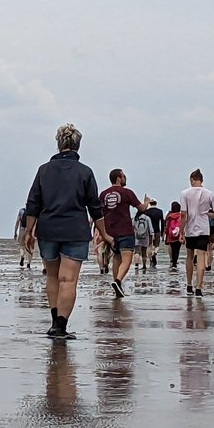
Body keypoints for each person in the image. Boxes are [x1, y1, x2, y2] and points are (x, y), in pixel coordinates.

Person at [23, 124, 110, 340]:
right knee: (68, 280)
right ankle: (61, 326)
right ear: (78, 145)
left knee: (52, 276)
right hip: (75, 230)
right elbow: (95, 207)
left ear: (59, 144)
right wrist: (105, 234)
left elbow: (33, 203)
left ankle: (54, 323)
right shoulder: (85, 172)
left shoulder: (43, 170)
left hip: (48, 229)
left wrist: (28, 230)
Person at [99, 169, 150, 297]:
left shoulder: (103, 194)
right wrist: (147, 202)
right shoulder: (127, 193)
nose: (125, 178)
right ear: (118, 178)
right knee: (127, 259)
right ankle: (118, 281)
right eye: (123, 176)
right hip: (125, 230)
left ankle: (118, 286)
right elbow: (141, 208)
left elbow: (98, 213)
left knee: (117, 257)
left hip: (110, 232)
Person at [180, 169, 214, 297]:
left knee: (190, 257)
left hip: (190, 229)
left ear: (192, 179)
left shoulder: (185, 193)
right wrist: (209, 214)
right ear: (201, 180)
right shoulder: (209, 194)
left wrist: (181, 231)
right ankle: (199, 287)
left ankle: (189, 284)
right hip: (203, 229)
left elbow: (184, 215)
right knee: (201, 257)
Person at [144, 199, 165, 268]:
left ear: (150, 204)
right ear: (156, 203)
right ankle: (154, 254)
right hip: (157, 230)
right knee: (157, 245)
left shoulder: (146, 212)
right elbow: (162, 222)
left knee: (149, 245)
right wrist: (162, 233)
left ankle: (150, 259)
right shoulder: (160, 211)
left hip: (148, 231)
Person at [164, 201, 184, 270]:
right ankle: (175, 262)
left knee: (172, 249)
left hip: (171, 235)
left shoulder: (169, 216)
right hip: (179, 234)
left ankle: (173, 262)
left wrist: (166, 234)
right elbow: (183, 225)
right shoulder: (181, 216)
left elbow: (167, 226)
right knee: (177, 249)